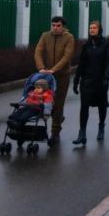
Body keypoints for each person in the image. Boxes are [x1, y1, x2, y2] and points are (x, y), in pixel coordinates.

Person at [34, 16, 75, 146]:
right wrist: (41, 68)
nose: (55, 28)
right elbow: (38, 51)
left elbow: (67, 56)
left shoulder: (69, 38)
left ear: (63, 27)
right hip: (46, 75)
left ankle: (55, 132)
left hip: (62, 75)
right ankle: (58, 118)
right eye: (53, 25)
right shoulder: (45, 36)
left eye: (58, 25)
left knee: (58, 103)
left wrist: (54, 69)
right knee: (44, 100)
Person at [72, 20, 109, 145]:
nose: (92, 30)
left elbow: (108, 63)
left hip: (100, 81)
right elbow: (81, 64)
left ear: (99, 30)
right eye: (90, 28)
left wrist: (106, 79)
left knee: (102, 105)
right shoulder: (86, 45)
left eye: (94, 28)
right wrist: (76, 80)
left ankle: (101, 127)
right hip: (87, 81)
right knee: (84, 107)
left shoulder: (105, 44)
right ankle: (82, 133)